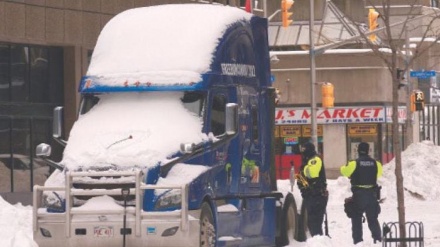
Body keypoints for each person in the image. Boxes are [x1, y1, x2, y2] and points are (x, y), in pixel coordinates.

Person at [340, 142, 383, 245]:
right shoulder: (376, 163)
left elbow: (344, 172)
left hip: (359, 195)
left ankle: (358, 241)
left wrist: (344, 166)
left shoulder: (354, 163)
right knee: (372, 219)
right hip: (372, 195)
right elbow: (379, 173)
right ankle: (377, 239)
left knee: (356, 218)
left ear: (358, 150)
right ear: (368, 151)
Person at [297, 142, 328, 236]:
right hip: (310, 195)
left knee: (315, 224)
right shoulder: (307, 161)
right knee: (311, 223)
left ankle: (319, 242)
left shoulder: (315, 159)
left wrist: (304, 169)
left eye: (304, 150)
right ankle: (318, 242)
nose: (303, 153)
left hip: (317, 195)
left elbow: (312, 174)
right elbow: (301, 177)